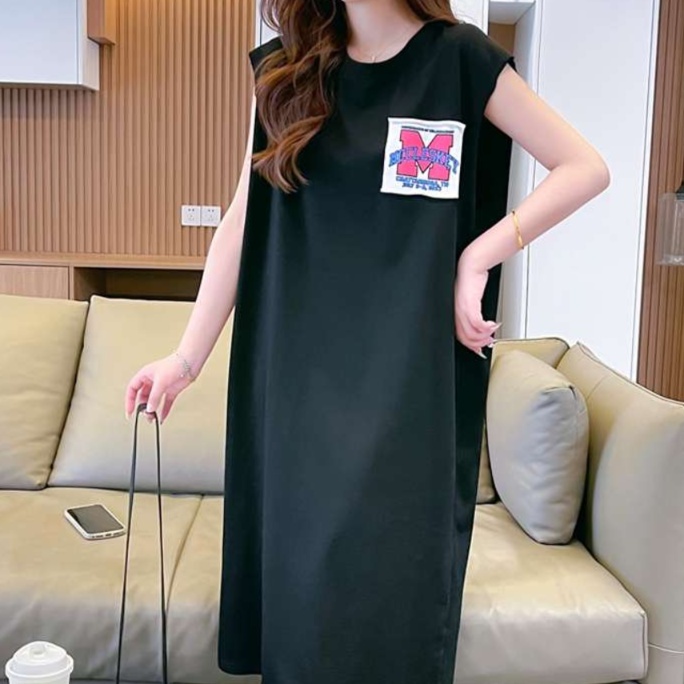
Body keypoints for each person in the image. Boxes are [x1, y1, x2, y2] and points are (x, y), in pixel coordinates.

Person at [124, 1, 610, 682]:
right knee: (299, 601)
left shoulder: (458, 60)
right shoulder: (286, 71)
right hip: (295, 378)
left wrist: (479, 256)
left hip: (405, 383)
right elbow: (242, 218)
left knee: (388, 593)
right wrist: (185, 358)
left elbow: (584, 166)